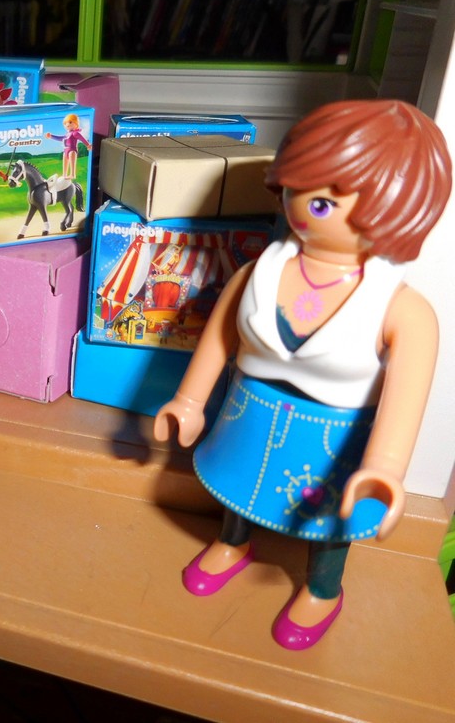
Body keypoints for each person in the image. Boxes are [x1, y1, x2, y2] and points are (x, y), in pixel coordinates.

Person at [153, 100, 452, 650]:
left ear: (399, 211)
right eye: (301, 187)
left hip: (335, 436)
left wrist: (385, 469)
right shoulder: (259, 272)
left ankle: (322, 588)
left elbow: (405, 399)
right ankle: (233, 542)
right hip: (248, 410)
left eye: (330, 198)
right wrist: (189, 401)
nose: (309, 206)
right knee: (237, 486)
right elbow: (220, 338)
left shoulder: (403, 310)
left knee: (331, 522)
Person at [45, 113, 92, 179]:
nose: (67, 125)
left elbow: (82, 139)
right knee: (65, 162)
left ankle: (72, 174)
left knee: (72, 163)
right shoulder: (67, 134)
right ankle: (64, 174)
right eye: (65, 123)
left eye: (70, 122)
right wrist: (51, 136)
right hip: (66, 150)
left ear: (76, 123)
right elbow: (61, 138)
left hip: (72, 150)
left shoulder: (75, 133)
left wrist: (88, 145)